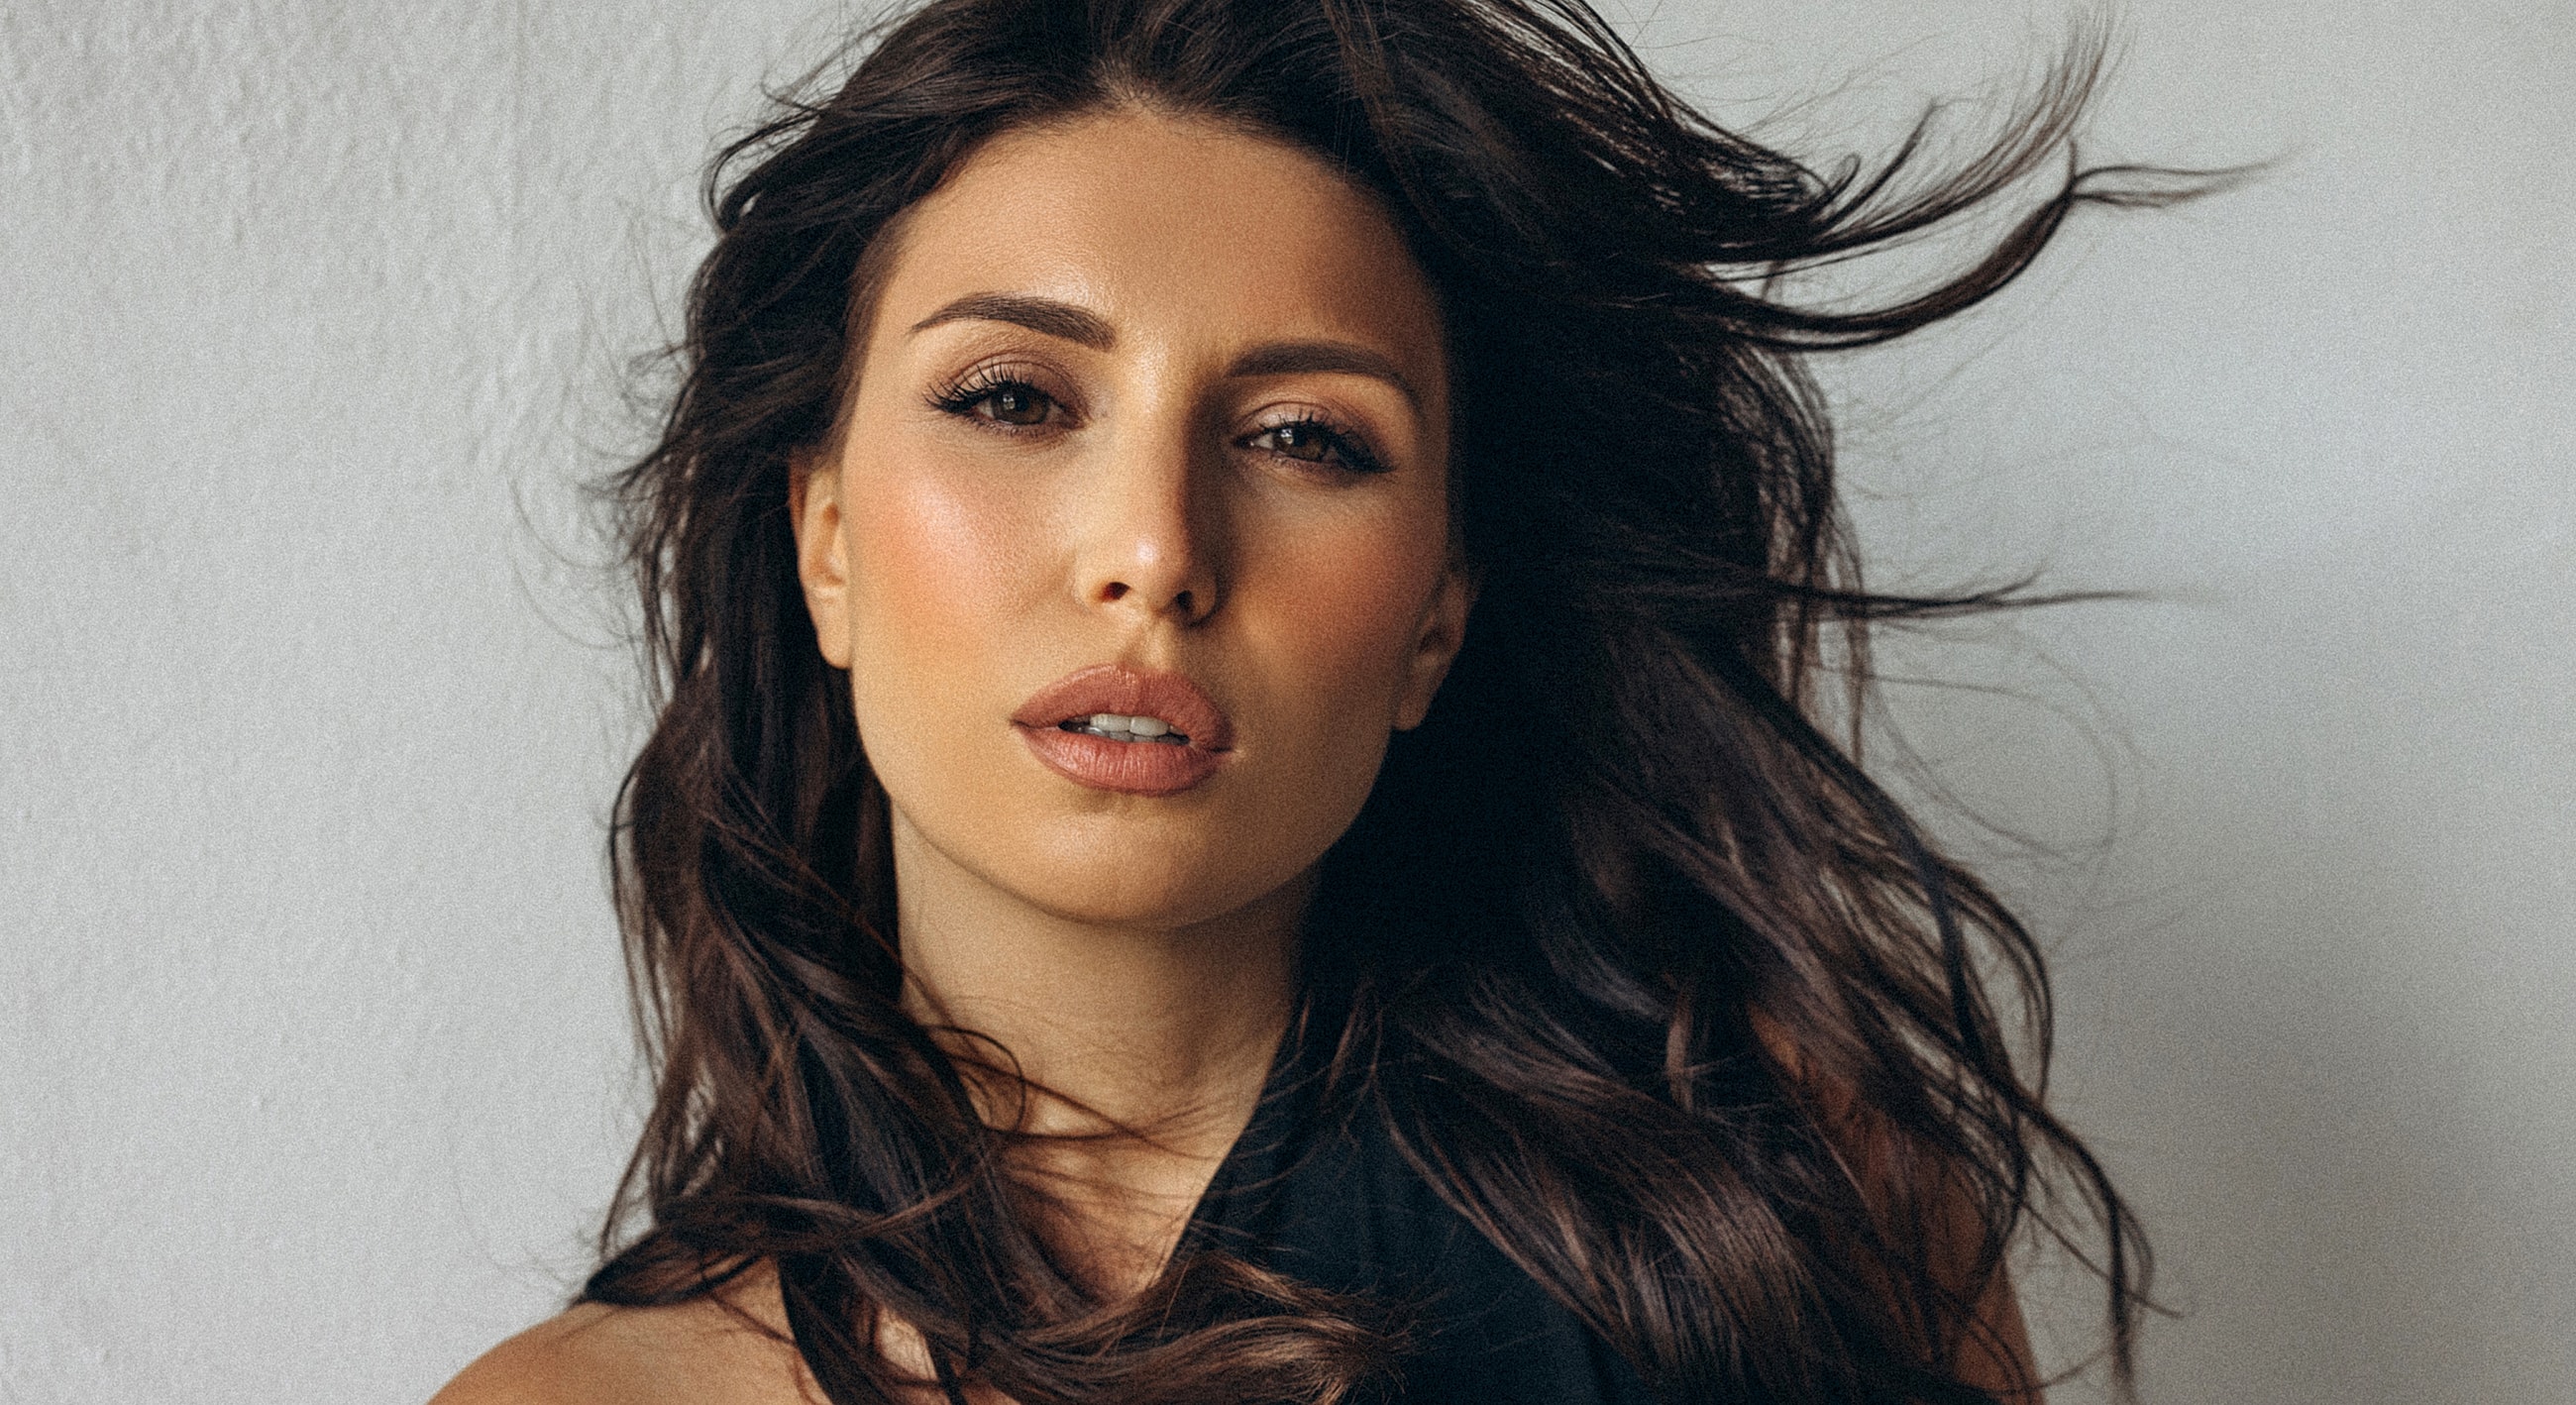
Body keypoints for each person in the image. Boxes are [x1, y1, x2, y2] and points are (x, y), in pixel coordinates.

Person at [436, 0, 2187, 1400]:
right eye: (1014, 398)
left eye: (1304, 437)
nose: (1154, 548)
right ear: (822, 533)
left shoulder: (1779, 1214)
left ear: (1437, 614)